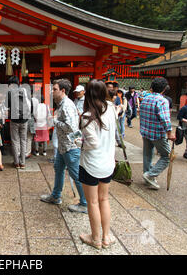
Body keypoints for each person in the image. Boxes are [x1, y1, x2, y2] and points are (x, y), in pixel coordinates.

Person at [77, 79, 117, 249]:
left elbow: (93, 143)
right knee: (104, 199)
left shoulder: (87, 116)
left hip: (91, 164)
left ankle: (95, 238)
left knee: (93, 202)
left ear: (87, 93)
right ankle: (106, 237)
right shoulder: (112, 109)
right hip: (108, 162)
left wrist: (80, 142)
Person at [40, 79, 87, 214]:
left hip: (70, 146)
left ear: (63, 91)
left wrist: (54, 122)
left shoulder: (66, 105)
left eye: (54, 89)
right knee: (58, 169)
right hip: (63, 146)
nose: (52, 91)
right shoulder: (61, 104)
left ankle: (85, 203)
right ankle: (55, 196)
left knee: (75, 174)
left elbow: (71, 128)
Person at [139, 77, 176, 190]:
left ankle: (148, 175)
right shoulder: (162, 101)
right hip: (157, 133)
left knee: (147, 155)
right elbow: (165, 119)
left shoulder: (145, 98)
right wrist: (169, 133)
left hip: (145, 131)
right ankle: (150, 175)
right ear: (165, 88)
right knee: (168, 156)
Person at [7, 76, 33, 169]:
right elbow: (31, 104)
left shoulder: (10, 93)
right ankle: (23, 163)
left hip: (14, 120)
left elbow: (7, 106)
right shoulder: (25, 91)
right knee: (23, 140)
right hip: (24, 119)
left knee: (15, 140)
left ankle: (16, 162)